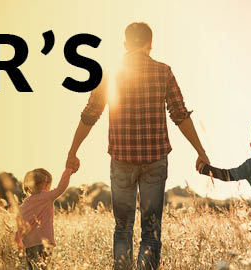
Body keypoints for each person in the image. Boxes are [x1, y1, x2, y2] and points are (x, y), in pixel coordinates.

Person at [65, 22, 209, 270]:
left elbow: (90, 114)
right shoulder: (163, 72)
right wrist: (201, 152)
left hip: (121, 160)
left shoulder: (110, 74)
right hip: (155, 160)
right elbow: (180, 116)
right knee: (151, 230)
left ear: (125, 44)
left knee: (122, 227)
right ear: (150, 44)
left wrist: (73, 151)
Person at [15, 168, 74, 270]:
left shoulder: (23, 206)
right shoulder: (47, 197)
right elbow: (61, 187)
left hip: (29, 245)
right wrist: (68, 171)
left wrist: (19, 244)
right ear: (45, 184)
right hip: (45, 243)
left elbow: (19, 228)